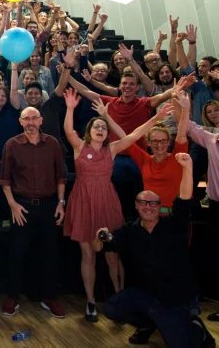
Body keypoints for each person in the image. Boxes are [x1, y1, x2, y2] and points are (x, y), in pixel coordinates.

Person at [63, 89, 175, 322]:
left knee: (113, 256)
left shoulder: (112, 149)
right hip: (82, 202)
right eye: (97, 127)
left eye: (103, 127)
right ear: (89, 131)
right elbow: (67, 130)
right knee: (88, 256)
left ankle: (120, 300)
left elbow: (135, 134)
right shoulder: (79, 148)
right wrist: (71, 108)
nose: (101, 130)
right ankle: (91, 302)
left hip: (106, 202)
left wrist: (156, 117)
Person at [94, 154, 214, 348]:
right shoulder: (128, 230)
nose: (147, 207)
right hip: (145, 295)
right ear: (136, 205)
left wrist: (188, 167)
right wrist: (100, 235)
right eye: (143, 202)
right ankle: (147, 323)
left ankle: (196, 329)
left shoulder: (174, 224)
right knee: (112, 308)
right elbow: (102, 245)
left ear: (160, 207)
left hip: (174, 296)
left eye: (153, 203)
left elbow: (184, 198)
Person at [0, 106, 67, 319]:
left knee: (50, 253)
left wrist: (61, 202)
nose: (30, 122)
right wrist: (12, 204)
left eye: (34, 118)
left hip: (48, 205)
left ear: (40, 120)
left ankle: (50, 297)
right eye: (26, 118)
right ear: (20, 121)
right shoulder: (12, 144)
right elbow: (5, 179)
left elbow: (60, 176)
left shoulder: (53, 143)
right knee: (17, 254)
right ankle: (13, 297)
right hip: (21, 206)